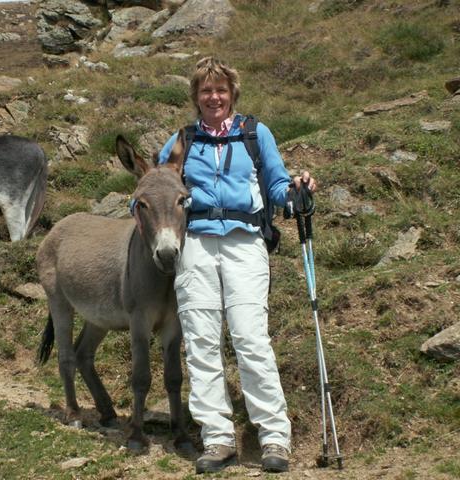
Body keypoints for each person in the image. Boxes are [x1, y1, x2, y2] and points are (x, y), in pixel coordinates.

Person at [156, 57, 317, 474]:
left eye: (221, 90)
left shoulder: (254, 133)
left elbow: (277, 184)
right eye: (206, 91)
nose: (214, 97)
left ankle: (274, 437)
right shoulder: (181, 141)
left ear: (232, 94)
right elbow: (155, 188)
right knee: (201, 342)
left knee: (250, 339)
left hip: (246, 242)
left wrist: (295, 192)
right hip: (195, 246)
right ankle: (218, 438)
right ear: (196, 96)